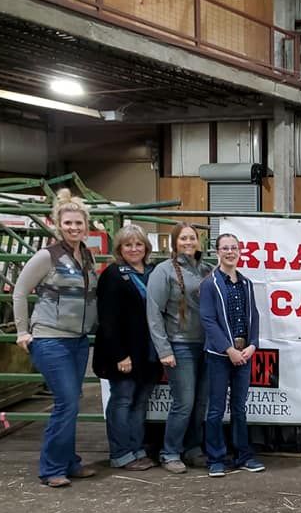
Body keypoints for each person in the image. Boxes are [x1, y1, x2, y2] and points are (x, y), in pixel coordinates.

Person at [13, 188, 98, 488]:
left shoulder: (86, 255)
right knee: (66, 402)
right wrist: (22, 330)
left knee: (72, 401)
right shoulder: (46, 256)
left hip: (78, 340)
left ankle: (69, 461)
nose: (74, 228)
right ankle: (51, 468)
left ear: (86, 226)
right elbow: (20, 291)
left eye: (79, 224)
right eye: (68, 223)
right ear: (56, 224)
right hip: (51, 339)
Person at [93, 224, 162, 471]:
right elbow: (107, 319)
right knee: (122, 399)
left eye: (138, 244)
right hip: (123, 352)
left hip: (148, 351)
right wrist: (120, 354)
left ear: (146, 247)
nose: (134, 249)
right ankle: (121, 453)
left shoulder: (153, 272)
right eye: (128, 245)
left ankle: (137, 449)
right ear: (120, 249)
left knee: (139, 402)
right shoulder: (112, 274)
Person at [146, 222, 212, 474]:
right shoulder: (163, 272)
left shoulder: (206, 269)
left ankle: (193, 448)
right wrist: (164, 349)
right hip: (180, 344)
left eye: (192, 238)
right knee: (184, 402)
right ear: (174, 243)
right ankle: (170, 451)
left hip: (205, 345)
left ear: (198, 241)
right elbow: (154, 313)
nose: (188, 242)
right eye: (183, 238)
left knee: (200, 402)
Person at [199, 233, 267, 477]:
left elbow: (254, 316)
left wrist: (253, 345)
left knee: (239, 407)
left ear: (240, 252)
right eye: (225, 248)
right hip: (219, 355)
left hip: (244, 354)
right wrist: (229, 350)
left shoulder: (246, 284)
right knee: (216, 408)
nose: (230, 252)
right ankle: (216, 458)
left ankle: (243, 455)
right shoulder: (210, 284)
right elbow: (208, 320)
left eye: (234, 248)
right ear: (217, 252)